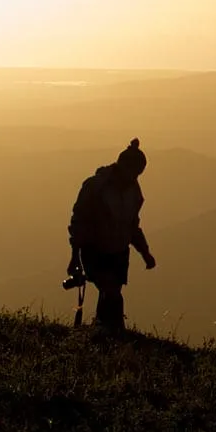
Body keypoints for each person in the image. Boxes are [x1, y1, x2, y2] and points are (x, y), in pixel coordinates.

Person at [67, 138, 157, 331]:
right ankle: (116, 333)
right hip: (95, 251)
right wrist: (75, 256)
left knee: (110, 293)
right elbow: (79, 222)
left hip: (119, 253)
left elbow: (132, 226)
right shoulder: (95, 188)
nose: (135, 178)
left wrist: (145, 253)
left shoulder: (133, 192)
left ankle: (102, 334)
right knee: (112, 293)